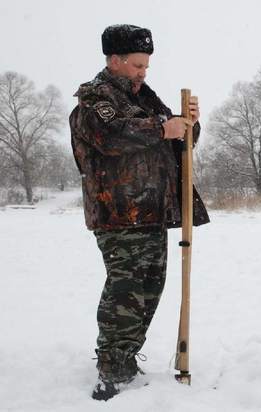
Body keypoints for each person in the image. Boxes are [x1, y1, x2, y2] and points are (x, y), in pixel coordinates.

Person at [69, 24, 209, 400]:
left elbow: (179, 141)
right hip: (118, 214)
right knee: (126, 289)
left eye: (146, 66)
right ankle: (112, 368)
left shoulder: (146, 98)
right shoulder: (95, 99)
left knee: (149, 288)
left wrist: (189, 124)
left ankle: (126, 357)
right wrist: (166, 127)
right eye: (136, 65)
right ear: (114, 60)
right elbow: (113, 137)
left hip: (150, 212)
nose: (143, 72)